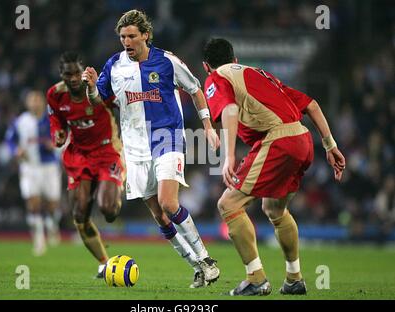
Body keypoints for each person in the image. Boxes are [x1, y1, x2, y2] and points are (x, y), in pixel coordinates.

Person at [82, 9, 221, 288]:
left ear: (145, 35)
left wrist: (207, 126)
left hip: (167, 138)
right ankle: (196, 268)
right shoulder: (114, 65)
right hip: (134, 147)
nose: (127, 41)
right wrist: (89, 87)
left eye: (132, 36)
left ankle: (207, 260)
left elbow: (194, 89)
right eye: (122, 37)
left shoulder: (167, 62)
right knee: (159, 215)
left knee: (170, 204)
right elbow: (98, 101)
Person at [202, 38, 346, 296]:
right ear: (236, 60)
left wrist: (229, 155)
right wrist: (330, 145)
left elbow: (230, 109)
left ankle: (256, 279)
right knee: (274, 208)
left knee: (228, 204)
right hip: (303, 139)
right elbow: (311, 104)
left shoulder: (216, 77)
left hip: (279, 141)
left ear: (205, 67)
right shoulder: (262, 75)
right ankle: (294, 279)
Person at [47, 52, 124, 277]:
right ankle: (104, 262)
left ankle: (118, 185)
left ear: (84, 72)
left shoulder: (100, 88)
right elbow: (56, 121)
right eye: (67, 74)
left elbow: (125, 106)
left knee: (108, 210)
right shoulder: (55, 94)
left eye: (76, 73)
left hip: (107, 151)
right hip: (79, 156)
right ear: (61, 74)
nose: (72, 78)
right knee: (80, 214)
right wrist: (58, 134)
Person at [5, 90, 62, 256]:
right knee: (33, 204)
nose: (34, 103)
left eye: (37, 100)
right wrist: (16, 150)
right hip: (29, 167)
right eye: (32, 100)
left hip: (50, 167)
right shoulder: (20, 121)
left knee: (52, 205)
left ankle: (52, 225)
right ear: (27, 103)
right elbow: (9, 140)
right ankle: (39, 239)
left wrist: (56, 144)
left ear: (43, 102)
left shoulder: (53, 119)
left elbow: (64, 137)